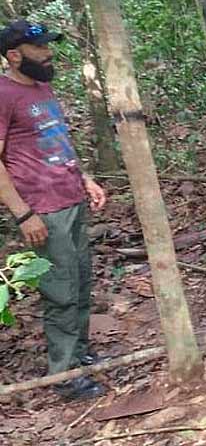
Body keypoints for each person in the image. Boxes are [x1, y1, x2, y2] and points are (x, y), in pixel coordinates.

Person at [0, 20, 108, 401]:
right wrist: (24, 214)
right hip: (42, 209)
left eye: (48, 46)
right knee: (60, 291)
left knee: (79, 283)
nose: (48, 53)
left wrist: (86, 179)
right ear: (14, 56)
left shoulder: (43, 88)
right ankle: (63, 374)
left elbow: (59, 139)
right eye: (39, 48)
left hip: (70, 199)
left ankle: (78, 354)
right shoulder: (3, 93)